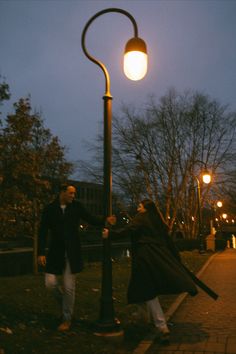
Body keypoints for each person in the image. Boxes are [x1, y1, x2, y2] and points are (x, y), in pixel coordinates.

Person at [102, 199, 198, 342]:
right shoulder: (157, 220)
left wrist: (110, 234)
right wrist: (175, 259)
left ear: (146, 208)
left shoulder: (141, 218)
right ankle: (150, 322)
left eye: (140, 206)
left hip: (145, 258)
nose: (138, 208)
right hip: (157, 257)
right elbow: (168, 241)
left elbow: (129, 230)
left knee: (148, 290)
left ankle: (161, 327)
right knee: (146, 288)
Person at [38, 183, 115, 332]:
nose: (73, 196)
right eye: (71, 193)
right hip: (55, 253)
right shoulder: (50, 209)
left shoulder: (76, 207)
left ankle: (67, 318)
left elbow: (91, 219)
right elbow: (42, 231)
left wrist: (106, 220)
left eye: (74, 193)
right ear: (62, 192)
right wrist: (40, 252)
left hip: (72, 254)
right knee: (49, 283)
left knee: (69, 287)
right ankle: (64, 304)